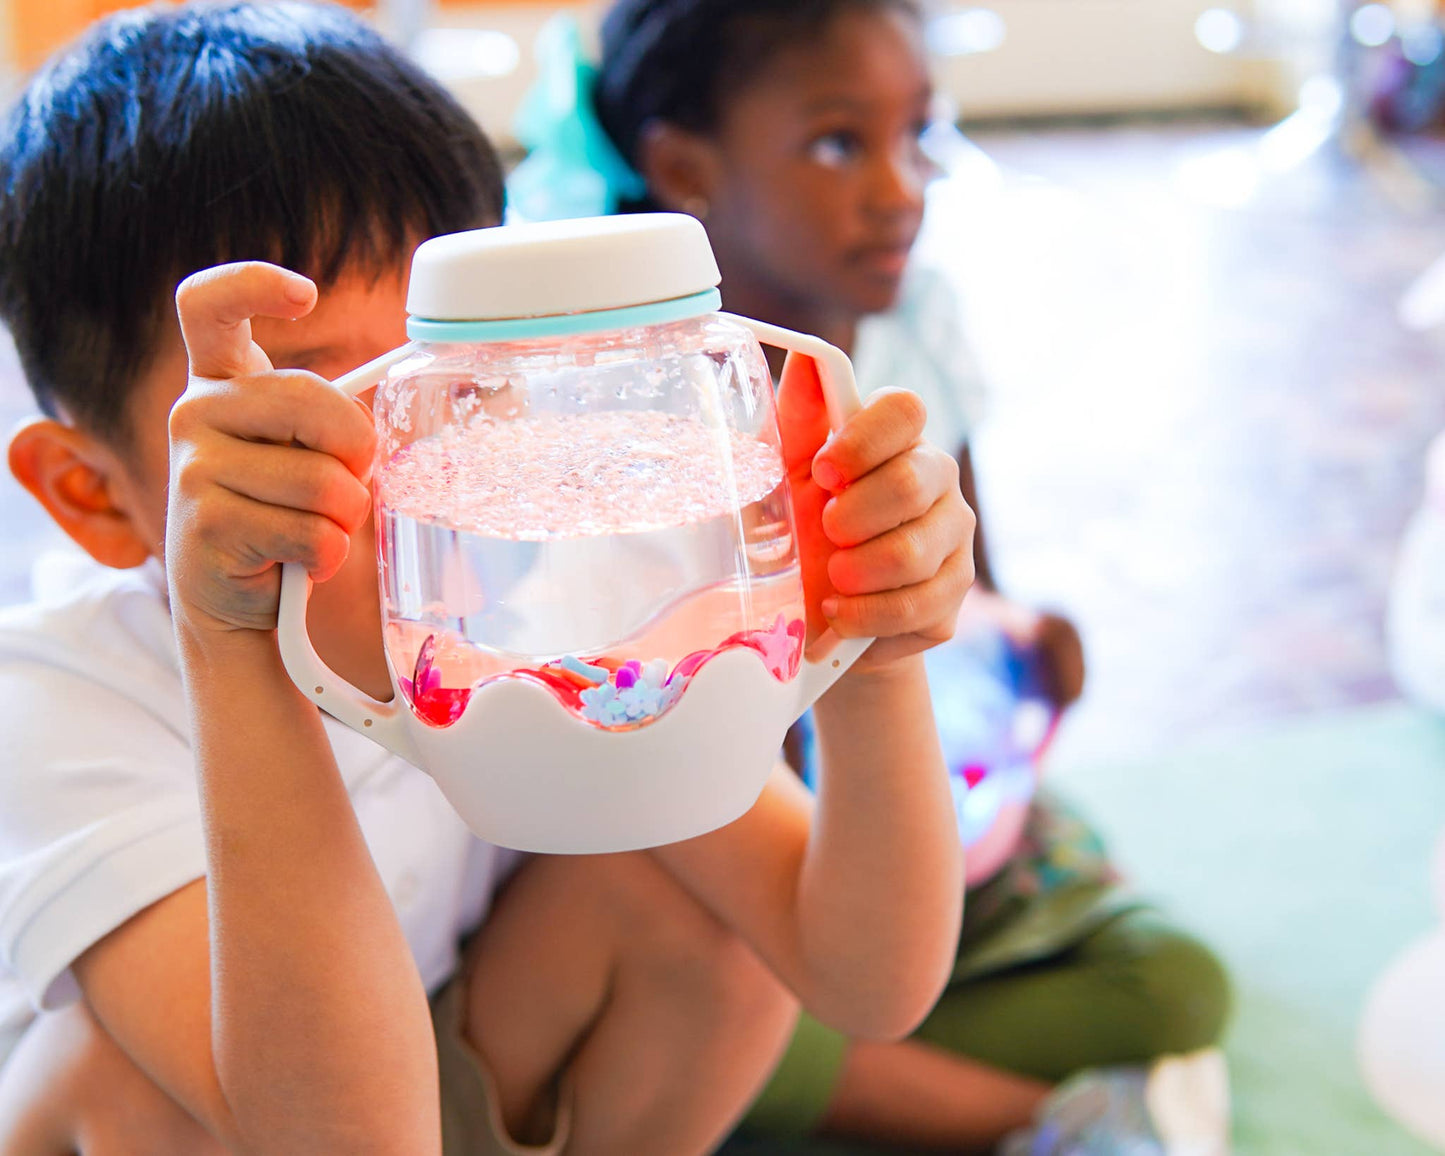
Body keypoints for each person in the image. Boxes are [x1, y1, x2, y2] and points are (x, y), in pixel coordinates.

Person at [0, 5, 976, 1153]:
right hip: (276, 1115)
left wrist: (864, 643)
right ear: (92, 496)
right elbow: (344, 1136)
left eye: (444, 391)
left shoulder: (538, 589)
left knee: (692, 906)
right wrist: (234, 649)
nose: (401, 468)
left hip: (433, 1057)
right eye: (312, 416)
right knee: (107, 1087)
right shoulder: (58, 705)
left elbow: (863, 976)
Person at [511, 1, 1234, 1149]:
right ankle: (1025, 1116)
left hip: (905, 812)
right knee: (740, 991)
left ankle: (845, 1066)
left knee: (1175, 979)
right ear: (683, 166)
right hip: (726, 877)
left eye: (918, 137)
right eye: (840, 144)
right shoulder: (621, 427)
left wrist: (1017, 630)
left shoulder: (913, 333)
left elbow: (969, 589)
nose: (900, 188)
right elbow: (658, 775)